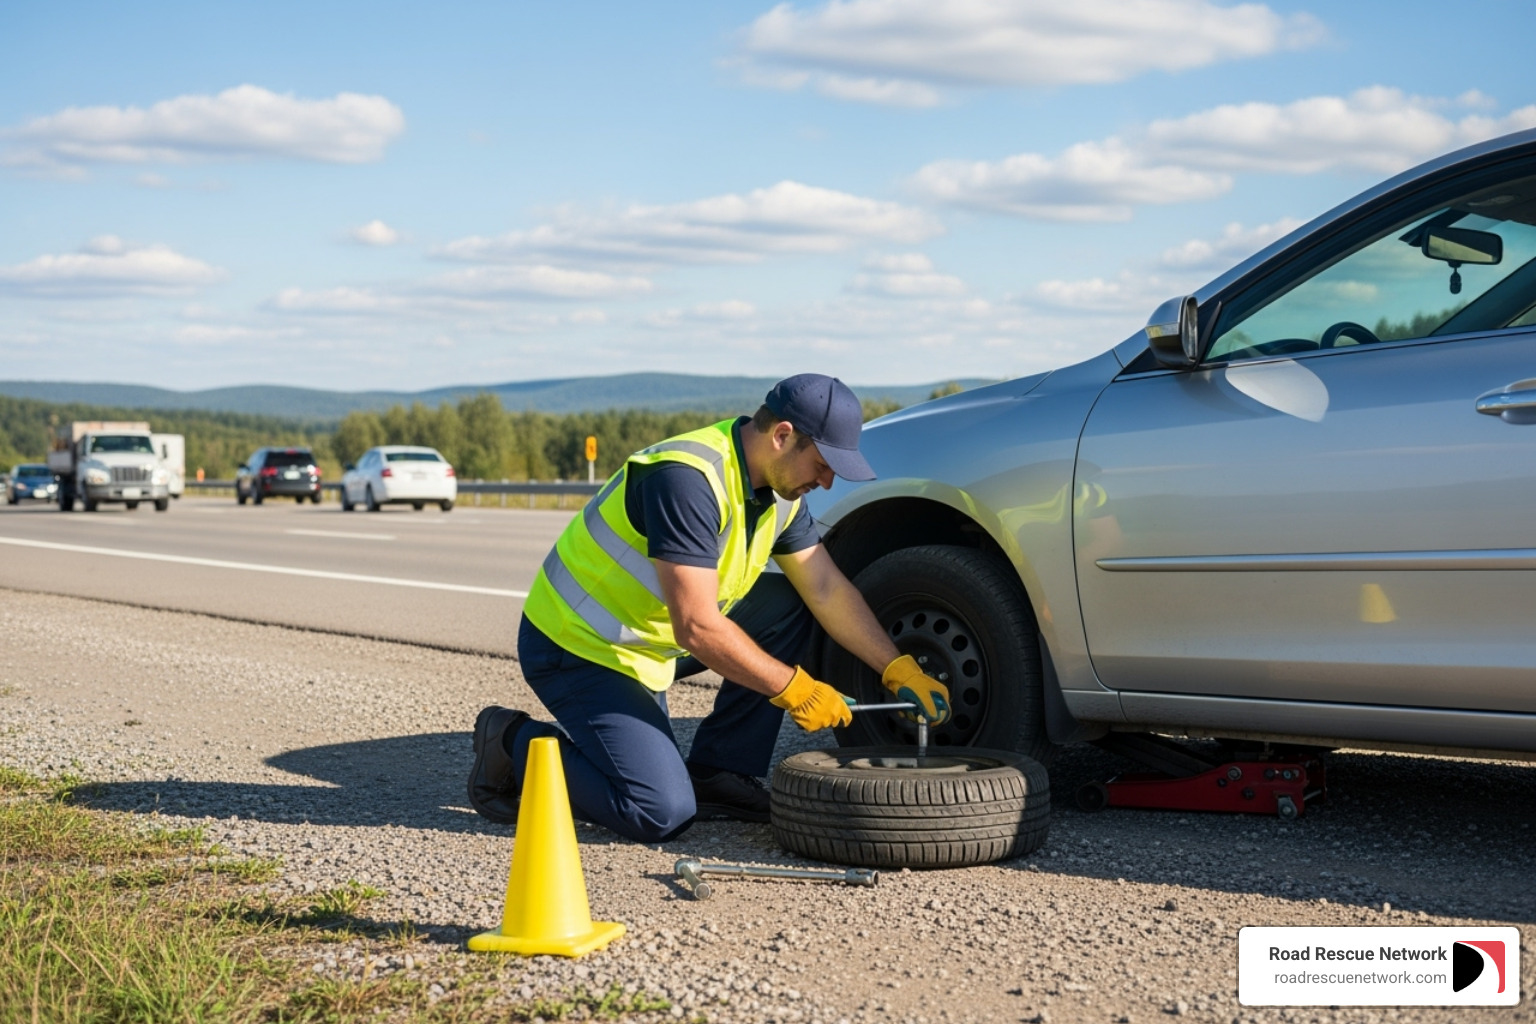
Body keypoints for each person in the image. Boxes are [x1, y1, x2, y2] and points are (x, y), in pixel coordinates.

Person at [468, 373, 951, 842]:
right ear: (783, 436)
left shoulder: (781, 492)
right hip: (581, 647)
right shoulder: (686, 480)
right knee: (659, 812)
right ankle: (511, 742)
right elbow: (698, 627)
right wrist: (793, 687)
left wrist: (897, 667)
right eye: (824, 464)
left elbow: (825, 588)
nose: (826, 482)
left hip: (650, 641)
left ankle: (722, 770)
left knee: (793, 604)